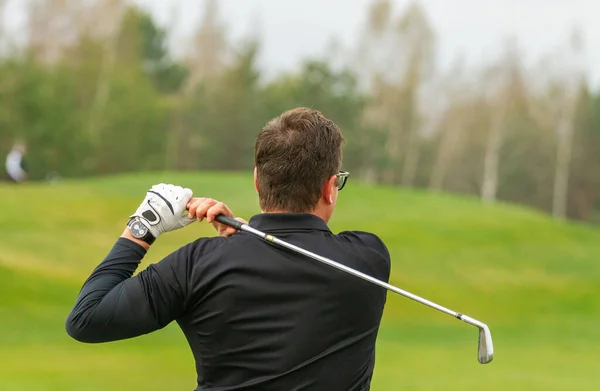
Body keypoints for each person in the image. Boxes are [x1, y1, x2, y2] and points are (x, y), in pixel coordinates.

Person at [65, 107, 391, 391]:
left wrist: (144, 225)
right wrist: (245, 238)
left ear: (257, 180)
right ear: (329, 189)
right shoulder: (369, 258)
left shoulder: (198, 264)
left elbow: (87, 318)